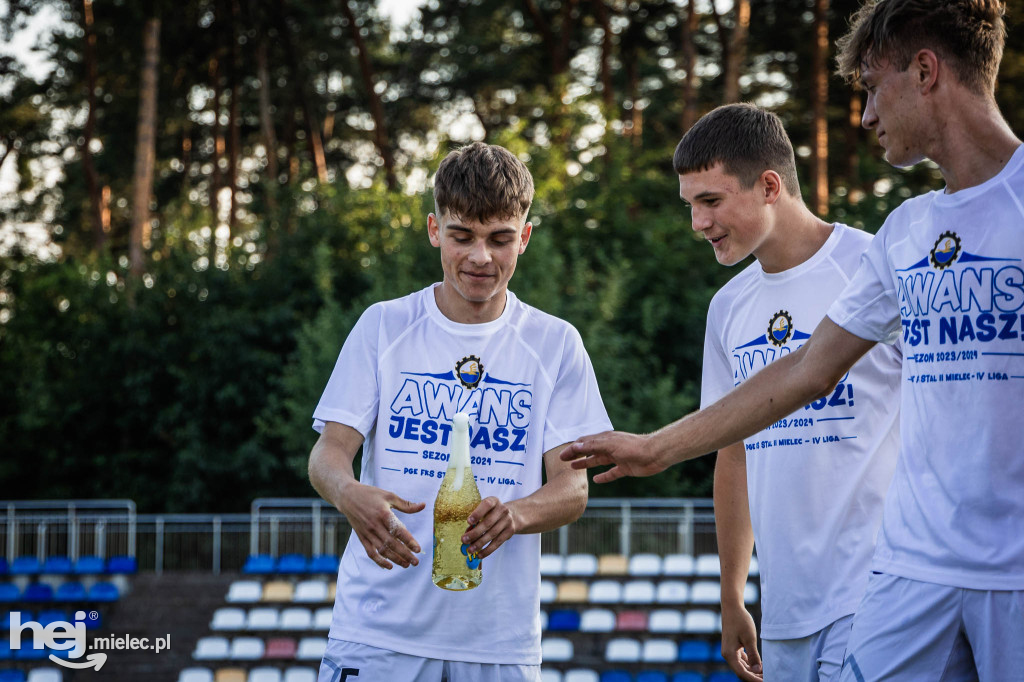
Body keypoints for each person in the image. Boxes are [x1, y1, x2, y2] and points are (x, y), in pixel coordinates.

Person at [563, 1, 1024, 678]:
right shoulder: (904, 234)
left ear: (925, 72)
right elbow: (806, 371)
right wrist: (655, 448)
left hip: (982, 574)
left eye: (872, 87)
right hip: (910, 575)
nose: (865, 115)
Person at [308, 141, 612, 682]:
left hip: (498, 640)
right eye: (462, 236)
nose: (480, 257)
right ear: (433, 230)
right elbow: (329, 453)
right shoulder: (383, 326)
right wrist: (347, 492)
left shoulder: (556, 343)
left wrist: (516, 515)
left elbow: (573, 489)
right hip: (377, 630)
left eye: (499, 239)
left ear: (524, 236)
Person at [672, 103, 901, 681]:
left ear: (770, 185)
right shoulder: (727, 307)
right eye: (691, 205)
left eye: (711, 201)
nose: (698, 224)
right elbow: (732, 451)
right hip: (784, 608)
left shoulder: (876, 266)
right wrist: (731, 593)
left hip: (880, 592)